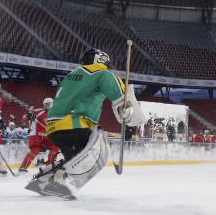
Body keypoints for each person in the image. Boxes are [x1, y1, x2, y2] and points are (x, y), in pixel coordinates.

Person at [25, 48, 145, 199]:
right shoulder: (102, 73)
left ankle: (48, 175)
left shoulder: (72, 74)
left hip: (54, 127)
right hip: (75, 124)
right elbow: (121, 98)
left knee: (74, 158)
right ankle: (64, 180)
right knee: (98, 150)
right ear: (101, 61)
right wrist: (128, 112)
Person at [19, 98, 60, 173]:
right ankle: (22, 168)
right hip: (36, 136)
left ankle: (49, 166)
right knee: (35, 150)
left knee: (55, 147)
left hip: (47, 137)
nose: (47, 106)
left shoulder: (55, 115)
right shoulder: (38, 111)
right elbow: (24, 118)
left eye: (49, 104)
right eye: (46, 104)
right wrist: (29, 116)